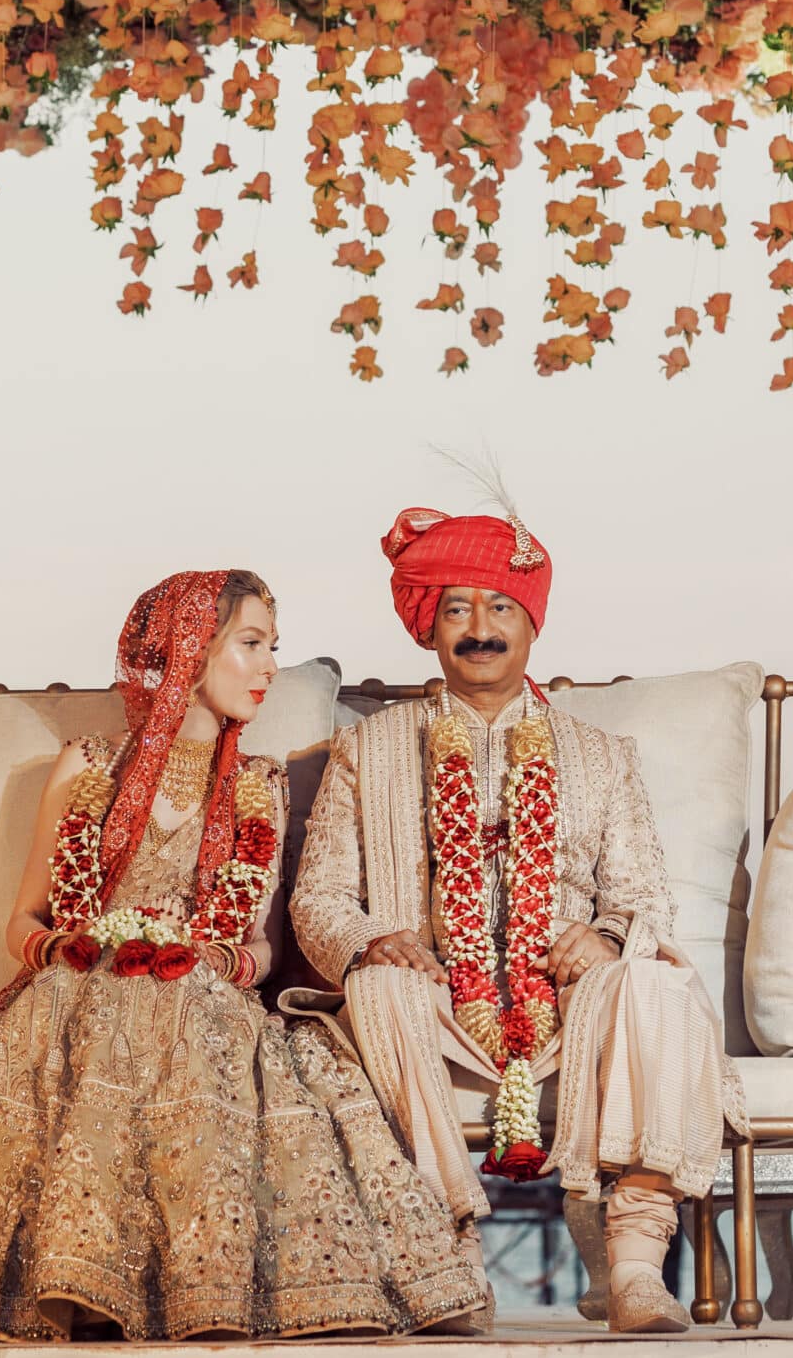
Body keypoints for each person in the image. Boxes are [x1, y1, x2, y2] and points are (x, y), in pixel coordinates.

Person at [0, 570, 487, 1342]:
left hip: (205, 995)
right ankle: (76, 1283)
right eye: (251, 645)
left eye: (273, 649)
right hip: (80, 989)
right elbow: (25, 918)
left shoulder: (260, 785)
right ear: (189, 652)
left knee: (184, 1005)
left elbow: (264, 944)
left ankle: (183, 1288)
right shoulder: (87, 765)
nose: (267, 669)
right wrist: (74, 946)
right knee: (101, 1000)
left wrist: (211, 960)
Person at [288, 506, 744, 1335]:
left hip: (572, 1008)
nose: (479, 628)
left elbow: (646, 894)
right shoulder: (371, 748)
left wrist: (605, 934)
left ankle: (635, 1263)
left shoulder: (602, 755)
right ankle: (449, 1257)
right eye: (457, 607)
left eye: (500, 606)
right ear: (430, 626)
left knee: (659, 983)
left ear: (532, 621)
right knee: (380, 985)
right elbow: (318, 897)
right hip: (434, 1010)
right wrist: (369, 940)